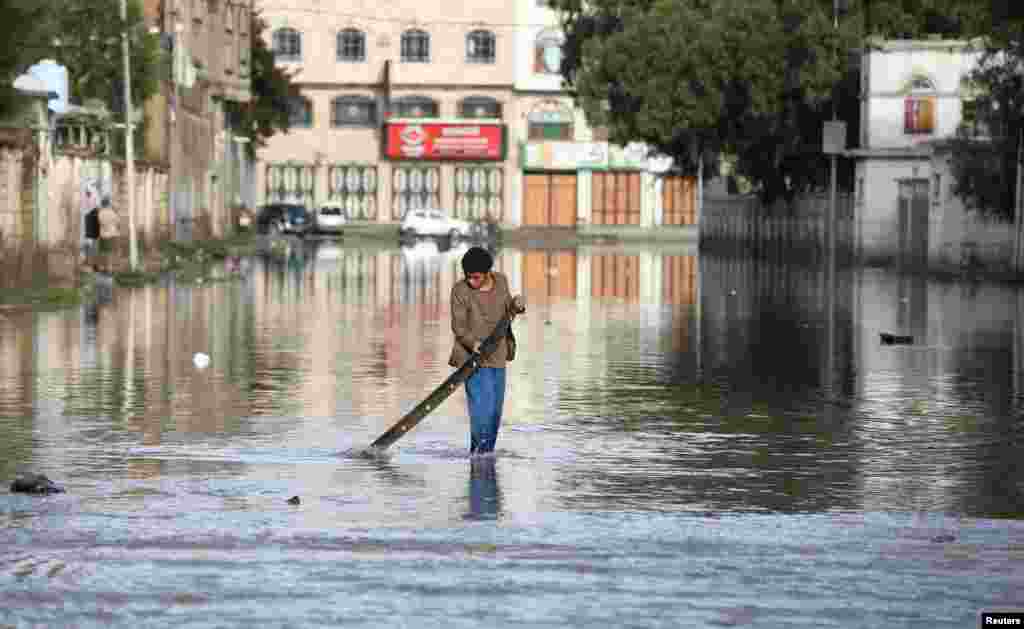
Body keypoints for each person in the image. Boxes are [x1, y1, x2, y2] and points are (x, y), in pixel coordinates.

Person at [449, 246, 526, 455]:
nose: (471, 281)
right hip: (472, 359)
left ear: (488, 273)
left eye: (475, 277)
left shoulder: (501, 281)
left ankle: (486, 455)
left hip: (498, 355)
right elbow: (458, 327)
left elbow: (508, 308)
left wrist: (517, 304)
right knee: (480, 411)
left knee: (494, 413)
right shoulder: (460, 290)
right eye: (468, 277)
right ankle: (477, 455)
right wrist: (474, 345)